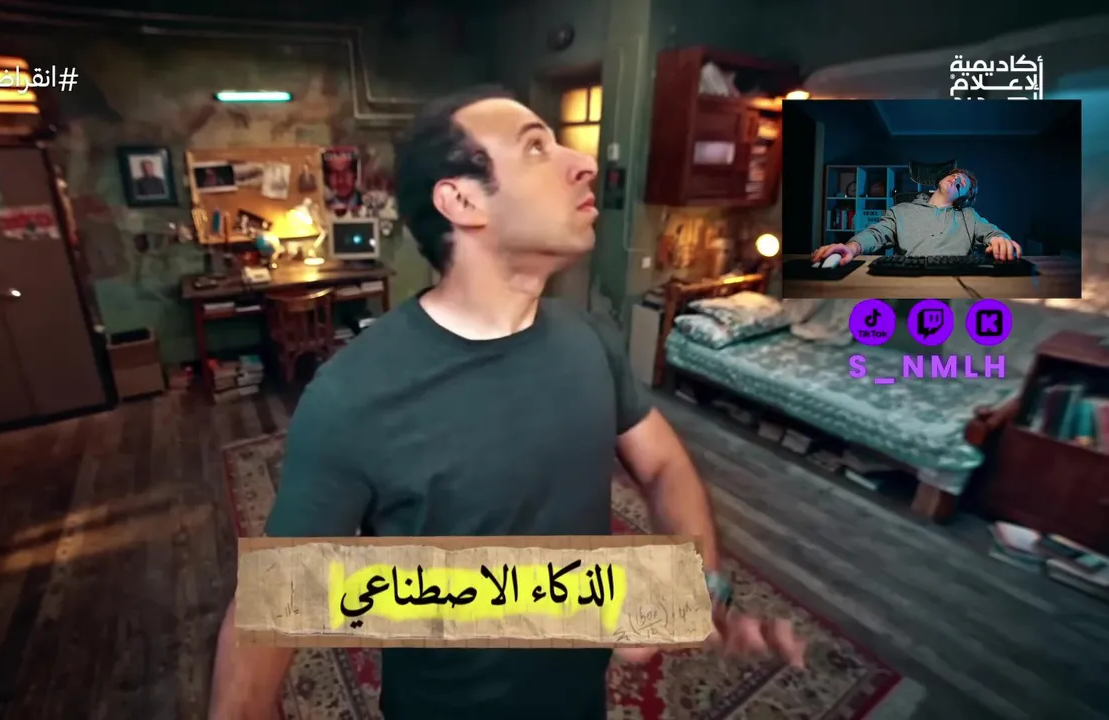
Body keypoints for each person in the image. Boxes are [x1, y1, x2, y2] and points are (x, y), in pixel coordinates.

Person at [208, 86, 807, 720]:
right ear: (462, 201)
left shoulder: (590, 339)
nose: (584, 163)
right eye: (535, 148)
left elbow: (663, 465)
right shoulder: (352, 397)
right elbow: (263, 622)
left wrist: (700, 584)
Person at [811, 168, 1023, 265]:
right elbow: (876, 234)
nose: (956, 180)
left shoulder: (969, 216)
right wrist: (851, 248)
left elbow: (992, 233)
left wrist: (1001, 241)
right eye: (954, 176)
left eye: (962, 184)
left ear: (962, 198)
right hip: (909, 278)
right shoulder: (901, 210)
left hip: (956, 281)